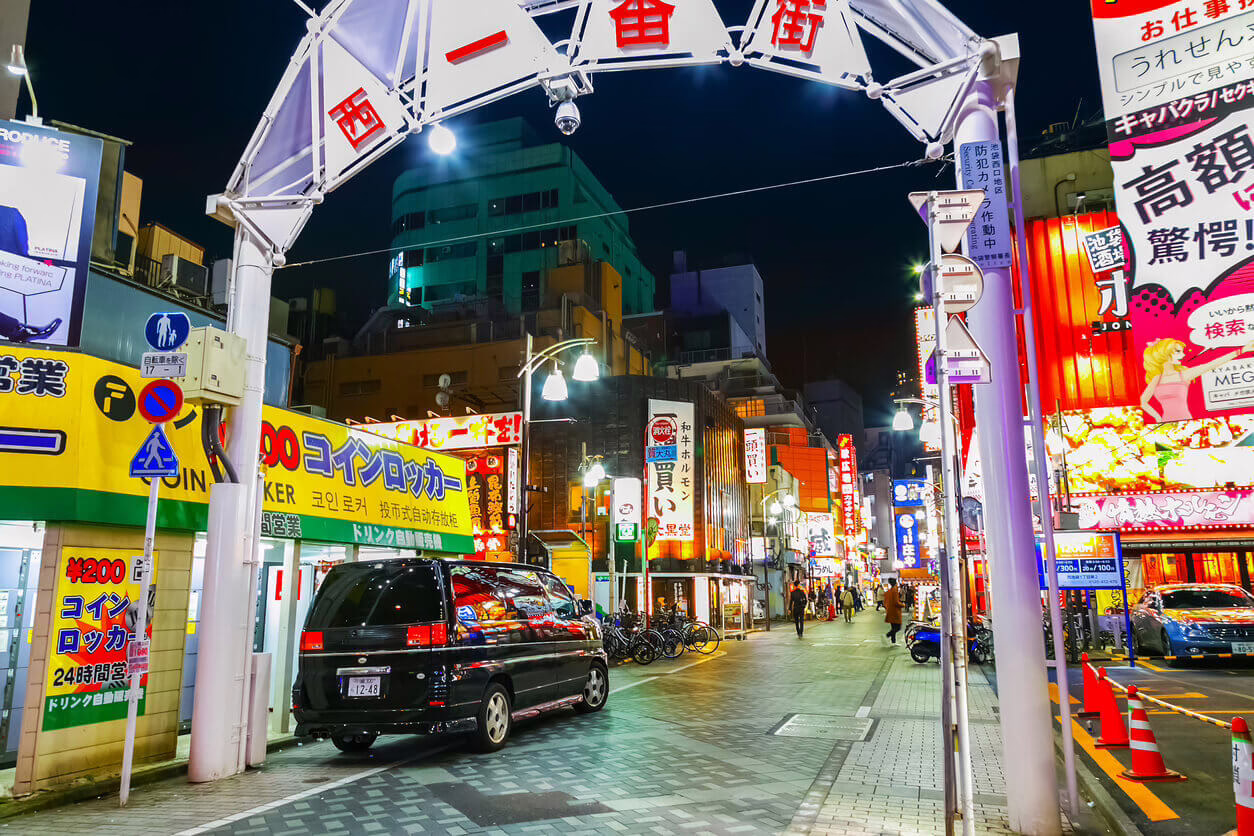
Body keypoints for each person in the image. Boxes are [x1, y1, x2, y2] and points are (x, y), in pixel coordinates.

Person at [884, 578, 903, 644]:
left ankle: (893, 642)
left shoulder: (889, 591)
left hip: (890, 611)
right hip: (895, 611)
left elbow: (885, 601)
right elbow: (896, 602)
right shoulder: (894, 590)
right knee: (898, 627)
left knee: (893, 627)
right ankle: (887, 635)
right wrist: (903, 605)